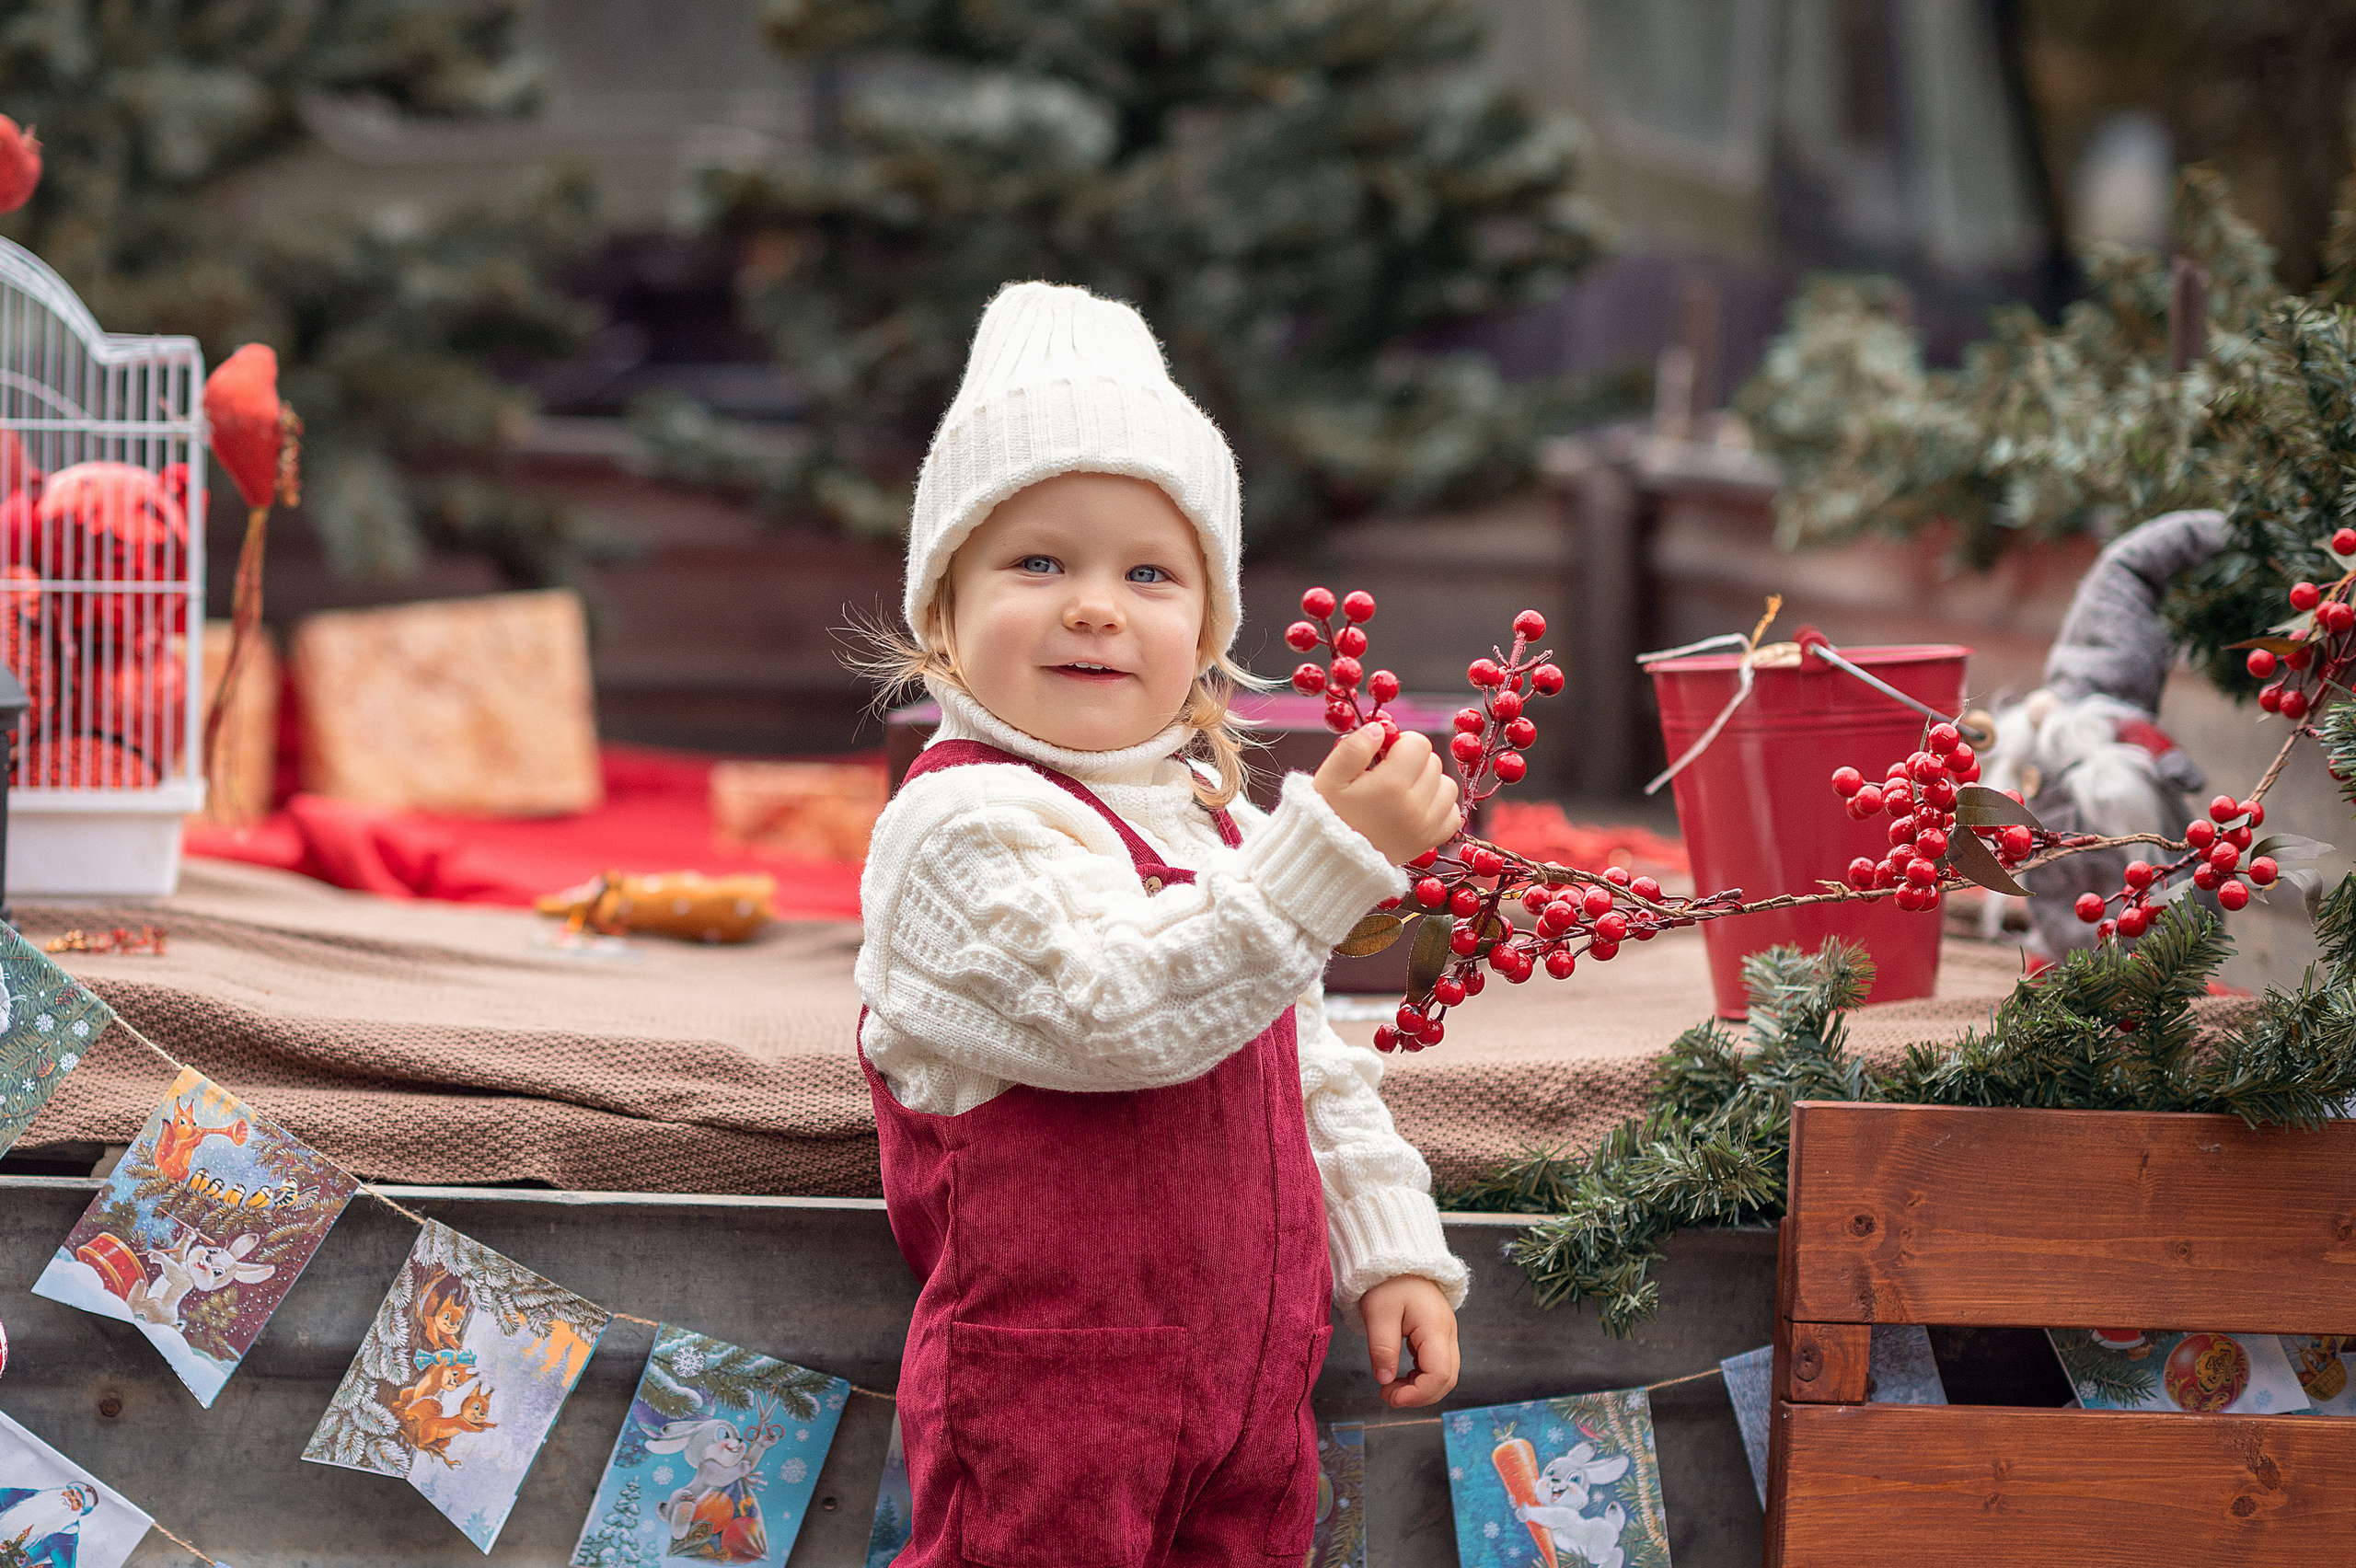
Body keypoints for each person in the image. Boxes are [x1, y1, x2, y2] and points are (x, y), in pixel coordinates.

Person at [856, 281, 1470, 1565]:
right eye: (1038, 562)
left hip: (1254, 1398)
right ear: (943, 611)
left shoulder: (1213, 826)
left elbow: (1304, 1063)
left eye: (1149, 572)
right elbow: (1114, 1012)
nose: (1096, 605)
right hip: (1050, 1397)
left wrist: (1387, 1244)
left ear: (1205, 629)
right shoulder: (959, 829)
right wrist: (1327, 857)